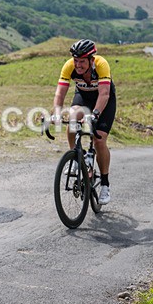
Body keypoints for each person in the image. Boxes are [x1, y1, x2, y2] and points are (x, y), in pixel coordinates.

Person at [51, 39, 116, 205]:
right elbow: (60, 93)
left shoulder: (101, 64)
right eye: (76, 61)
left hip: (103, 99)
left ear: (91, 60)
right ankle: (75, 157)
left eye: (82, 61)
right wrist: (57, 112)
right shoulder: (69, 66)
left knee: (99, 140)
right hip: (83, 96)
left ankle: (105, 184)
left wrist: (95, 114)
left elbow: (104, 94)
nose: (78, 65)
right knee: (73, 116)